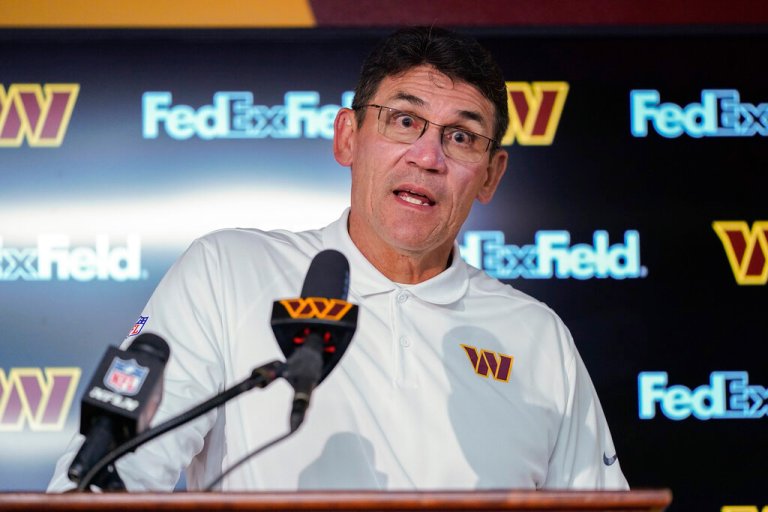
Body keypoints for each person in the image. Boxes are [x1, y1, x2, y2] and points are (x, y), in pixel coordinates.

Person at [49, 26, 628, 491]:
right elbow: (116, 476)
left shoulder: (536, 336)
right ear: (347, 136)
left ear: (491, 175)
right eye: (404, 121)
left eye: (461, 136)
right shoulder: (228, 271)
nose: (427, 155)